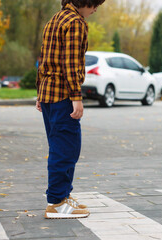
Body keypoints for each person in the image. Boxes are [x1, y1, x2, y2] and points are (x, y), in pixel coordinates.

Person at [36, 0, 105, 219]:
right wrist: (76, 97)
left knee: (59, 146)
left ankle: (63, 197)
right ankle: (56, 203)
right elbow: (71, 64)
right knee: (66, 149)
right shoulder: (76, 22)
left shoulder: (54, 20)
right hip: (62, 95)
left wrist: (40, 92)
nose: (95, 9)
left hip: (49, 95)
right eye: (96, 4)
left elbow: (44, 59)